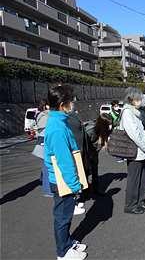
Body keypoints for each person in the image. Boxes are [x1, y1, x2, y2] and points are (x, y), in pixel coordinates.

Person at [44, 85, 87, 260]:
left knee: (65, 216)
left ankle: (67, 243)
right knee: (63, 218)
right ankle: (62, 252)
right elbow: (65, 161)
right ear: (63, 104)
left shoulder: (58, 121)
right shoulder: (58, 128)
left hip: (62, 179)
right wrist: (76, 185)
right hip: (62, 180)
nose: (73, 104)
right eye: (71, 101)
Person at [120, 88, 145, 214]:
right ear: (131, 100)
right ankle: (130, 205)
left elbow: (142, 131)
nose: (140, 101)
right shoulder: (127, 112)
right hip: (134, 152)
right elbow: (134, 134)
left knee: (143, 178)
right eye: (137, 99)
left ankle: (141, 201)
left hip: (142, 151)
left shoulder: (135, 112)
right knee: (134, 179)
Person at [83, 113, 113, 195]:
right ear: (102, 124)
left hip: (94, 152)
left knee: (95, 171)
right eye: (108, 124)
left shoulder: (104, 129)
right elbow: (83, 144)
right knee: (85, 171)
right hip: (87, 153)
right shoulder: (90, 130)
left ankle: (95, 190)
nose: (110, 126)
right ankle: (85, 192)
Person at [33, 99, 52, 197]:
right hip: (45, 144)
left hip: (41, 143)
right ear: (46, 106)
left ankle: (43, 181)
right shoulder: (45, 116)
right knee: (47, 167)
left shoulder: (39, 115)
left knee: (46, 166)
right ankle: (48, 190)